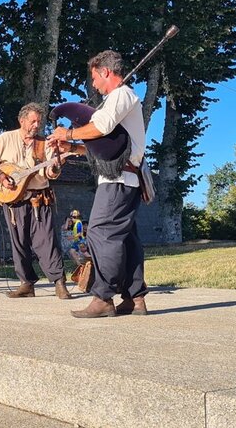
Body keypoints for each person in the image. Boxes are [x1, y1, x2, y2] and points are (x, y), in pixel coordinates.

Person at [48, 50, 148, 317]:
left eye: (94, 77)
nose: (93, 84)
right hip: (124, 177)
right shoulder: (120, 99)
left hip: (117, 181)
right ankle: (134, 297)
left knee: (100, 234)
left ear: (105, 72)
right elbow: (106, 147)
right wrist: (73, 146)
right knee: (126, 239)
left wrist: (67, 132)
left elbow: (101, 127)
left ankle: (103, 298)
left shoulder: (120, 95)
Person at [0, 103, 71, 300]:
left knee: (46, 240)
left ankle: (59, 282)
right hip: (13, 201)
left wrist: (55, 166)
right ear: (22, 121)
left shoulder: (44, 143)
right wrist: (2, 176)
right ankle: (26, 284)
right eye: (33, 121)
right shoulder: (6, 138)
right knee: (19, 242)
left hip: (39, 198)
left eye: (39, 121)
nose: (37, 125)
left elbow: (49, 173)